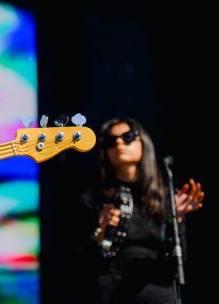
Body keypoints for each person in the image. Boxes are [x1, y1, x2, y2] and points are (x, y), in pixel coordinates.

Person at [75, 117, 204, 304]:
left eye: (127, 137)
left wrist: (176, 220)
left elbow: (179, 260)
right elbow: (80, 262)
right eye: (111, 141)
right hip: (112, 294)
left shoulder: (167, 197)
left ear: (143, 142)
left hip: (158, 294)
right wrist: (101, 230)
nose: (119, 143)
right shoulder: (94, 199)